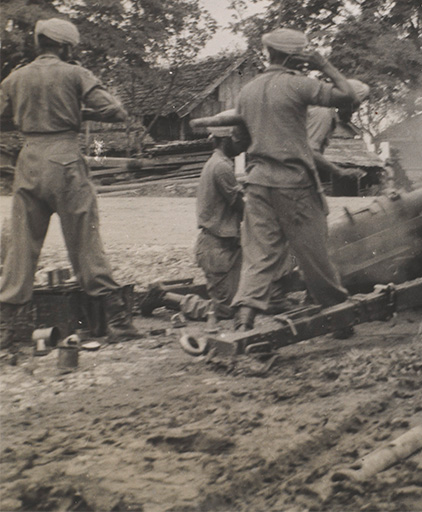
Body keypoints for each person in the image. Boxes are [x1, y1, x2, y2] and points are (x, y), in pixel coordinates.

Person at [0, 18, 140, 352]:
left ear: (39, 44)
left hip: (28, 160)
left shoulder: (15, 78)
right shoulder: (75, 73)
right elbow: (116, 111)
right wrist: (78, 112)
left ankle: (7, 329)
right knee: (84, 240)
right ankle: (117, 322)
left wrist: (27, 115)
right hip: (64, 158)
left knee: (21, 246)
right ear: (65, 47)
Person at [230, 27, 361, 331]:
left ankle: (244, 318)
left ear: (269, 53)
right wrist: (323, 64)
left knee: (260, 255)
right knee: (315, 254)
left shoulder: (247, 91)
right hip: (294, 184)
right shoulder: (299, 85)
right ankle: (340, 318)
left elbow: (238, 142)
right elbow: (348, 95)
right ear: (297, 57)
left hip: (258, 183)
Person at [139, 125, 246, 321]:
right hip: (218, 248)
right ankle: (164, 298)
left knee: (242, 299)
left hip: (225, 246)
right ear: (225, 140)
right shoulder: (221, 167)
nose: (242, 145)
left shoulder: (219, 163)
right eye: (238, 139)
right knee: (225, 310)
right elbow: (242, 207)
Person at [306, 79, 370, 187]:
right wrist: (340, 171)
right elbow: (310, 152)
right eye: (356, 105)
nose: (355, 110)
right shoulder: (323, 113)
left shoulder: (327, 113)